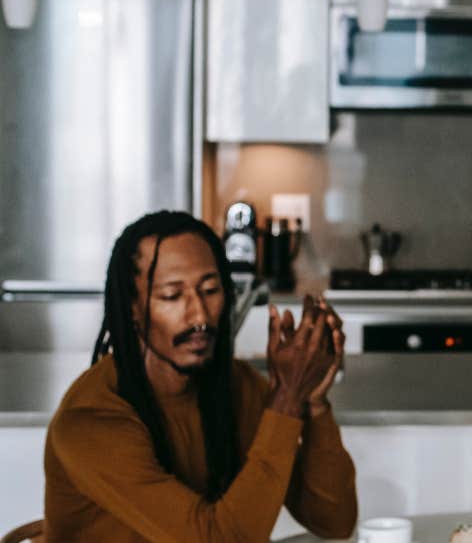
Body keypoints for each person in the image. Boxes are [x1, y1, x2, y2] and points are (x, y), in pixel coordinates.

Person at [43, 211, 358, 542]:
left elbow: (333, 522)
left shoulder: (237, 387)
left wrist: (313, 403)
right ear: (132, 307)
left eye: (210, 290)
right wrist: (287, 399)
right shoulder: (92, 421)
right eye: (172, 296)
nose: (200, 315)